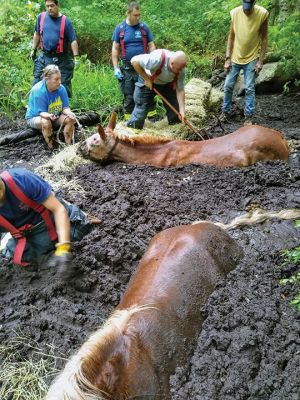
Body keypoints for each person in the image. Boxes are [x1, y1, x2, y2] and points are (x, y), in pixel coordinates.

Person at [0, 168, 100, 277]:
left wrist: (63, 247)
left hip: (51, 218)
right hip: (26, 235)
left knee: (80, 230)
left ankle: (74, 211)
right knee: (16, 260)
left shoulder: (21, 179)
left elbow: (58, 210)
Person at [221, 0, 269, 125]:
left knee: (249, 88)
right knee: (228, 86)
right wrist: (227, 58)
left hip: (252, 58)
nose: (246, 10)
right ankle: (225, 112)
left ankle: (248, 116)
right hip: (235, 57)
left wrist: (260, 61)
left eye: (249, 8)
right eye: (244, 7)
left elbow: (264, 39)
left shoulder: (262, 14)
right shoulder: (235, 13)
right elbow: (231, 37)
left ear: (254, 3)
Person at [112, 1, 156, 121]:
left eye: (139, 15)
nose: (138, 17)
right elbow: (115, 50)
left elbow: (151, 45)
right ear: (128, 13)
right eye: (135, 15)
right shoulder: (120, 29)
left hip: (143, 67)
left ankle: (153, 120)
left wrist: (153, 61)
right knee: (129, 96)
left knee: (147, 92)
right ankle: (130, 121)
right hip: (127, 69)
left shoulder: (143, 28)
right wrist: (116, 68)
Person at [126, 49, 186, 130]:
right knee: (141, 107)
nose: (180, 71)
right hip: (148, 81)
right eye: (178, 69)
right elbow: (134, 61)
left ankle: (175, 129)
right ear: (172, 63)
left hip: (166, 84)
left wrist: (182, 111)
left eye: (181, 69)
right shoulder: (157, 59)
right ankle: (133, 130)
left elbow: (180, 90)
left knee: (175, 108)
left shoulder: (181, 69)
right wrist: (146, 78)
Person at [30, 0, 80, 97]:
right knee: (37, 80)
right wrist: (33, 49)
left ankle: (66, 106)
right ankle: (36, 105)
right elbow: (36, 34)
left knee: (64, 84)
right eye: (47, 6)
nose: (49, 8)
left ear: (57, 5)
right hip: (44, 56)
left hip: (62, 58)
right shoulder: (41, 17)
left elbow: (73, 40)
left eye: (52, 6)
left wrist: (76, 57)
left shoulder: (66, 21)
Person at [26, 64, 76, 150]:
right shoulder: (38, 91)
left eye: (60, 78)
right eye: (56, 79)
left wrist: (69, 113)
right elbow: (41, 113)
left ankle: (69, 146)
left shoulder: (61, 89)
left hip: (54, 116)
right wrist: (49, 116)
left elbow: (65, 108)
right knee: (46, 122)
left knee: (70, 119)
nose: (59, 82)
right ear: (47, 80)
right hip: (36, 117)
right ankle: (51, 147)